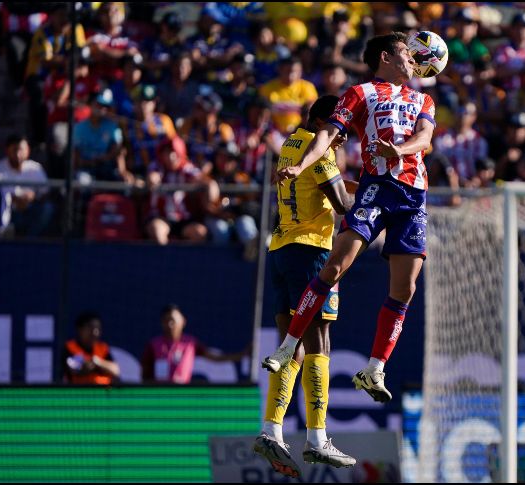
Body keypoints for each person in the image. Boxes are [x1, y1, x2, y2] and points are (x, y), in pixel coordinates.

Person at [263, 32, 436, 404]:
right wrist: (301, 166)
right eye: (407, 53)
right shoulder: (360, 93)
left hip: (412, 197)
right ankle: (288, 345)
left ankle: (374, 368)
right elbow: (327, 133)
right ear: (386, 57)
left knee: (405, 289)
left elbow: (425, 140)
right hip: (375, 189)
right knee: (335, 266)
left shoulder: (424, 99)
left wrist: (399, 150)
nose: (413, 60)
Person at [253, 95, 357, 477]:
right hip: (311, 252)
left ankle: (272, 429)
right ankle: (317, 437)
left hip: (281, 248)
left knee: (289, 346)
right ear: (320, 121)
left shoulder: (291, 145)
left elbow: (321, 185)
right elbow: (343, 204)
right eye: (339, 125)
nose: (343, 134)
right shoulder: (322, 153)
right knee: (319, 340)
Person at [140, 304, 247, 383]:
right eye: (166, 320)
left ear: (183, 321)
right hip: (159, 398)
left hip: (182, 397)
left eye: (173, 320)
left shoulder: (190, 343)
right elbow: (144, 375)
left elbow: (215, 357)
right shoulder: (153, 345)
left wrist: (242, 355)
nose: (170, 324)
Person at [62, 312, 120, 385]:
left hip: (102, 393)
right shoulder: (70, 347)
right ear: (80, 329)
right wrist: (85, 367)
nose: (95, 333)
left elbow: (115, 370)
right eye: (90, 328)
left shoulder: (102, 348)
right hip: (78, 393)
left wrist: (97, 362)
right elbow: (72, 369)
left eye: (98, 329)